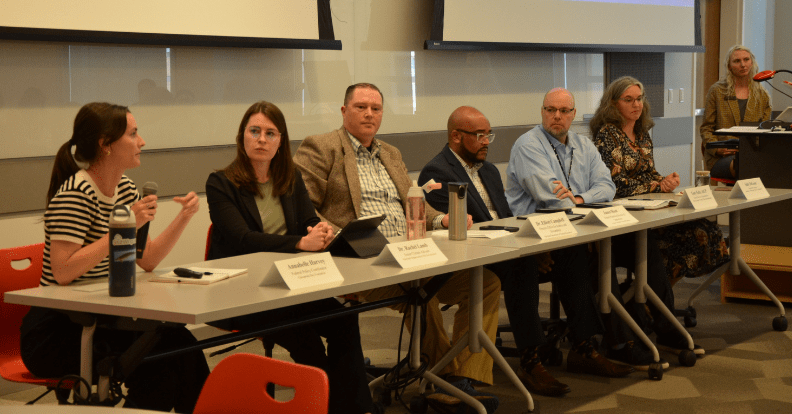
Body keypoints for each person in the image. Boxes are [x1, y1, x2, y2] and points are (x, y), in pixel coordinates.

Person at [294, 83, 501, 413]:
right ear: (344, 111)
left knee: (485, 283)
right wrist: (337, 236)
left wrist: (441, 219)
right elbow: (303, 207)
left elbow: (413, 202)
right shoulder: (321, 147)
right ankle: (443, 380)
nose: (369, 114)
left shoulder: (390, 152)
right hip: (361, 258)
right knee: (420, 294)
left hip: (408, 252)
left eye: (376, 108)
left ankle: (464, 375)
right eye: (361, 107)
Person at [418, 106, 633, 397]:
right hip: (474, 258)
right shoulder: (437, 172)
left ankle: (583, 347)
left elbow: (508, 218)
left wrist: (534, 247)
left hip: (506, 248)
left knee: (572, 253)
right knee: (522, 266)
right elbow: (455, 232)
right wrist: (523, 251)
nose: (486, 142)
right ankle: (531, 361)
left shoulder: (488, 171)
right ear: (456, 136)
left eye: (489, 135)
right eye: (480, 136)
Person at [20, 102, 209, 413]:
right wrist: (123, 228)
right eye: (133, 134)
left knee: (181, 345)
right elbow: (63, 271)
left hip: (102, 318)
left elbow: (146, 259)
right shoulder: (75, 194)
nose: (142, 142)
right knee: (161, 363)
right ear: (105, 144)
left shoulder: (125, 189)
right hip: (59, 331)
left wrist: (184, 217)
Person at [505, 88, 697, 369]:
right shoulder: (528, 145)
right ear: (542, 112)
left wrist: (578, 199)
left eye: (564, 111)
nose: (556, 116)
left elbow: (607, 186)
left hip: (580, 229)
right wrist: (575, 200)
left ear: (573, 114)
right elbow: (551, 198)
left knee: (643, 247)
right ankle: (617, 343)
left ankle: (665, 329)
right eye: (550, 110)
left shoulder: (583, 145)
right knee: (594, 259)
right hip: (540, 239)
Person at [205, 101, 374, 414]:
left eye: (270, 133)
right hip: (247, 293)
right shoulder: (221, 183)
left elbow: (307, 221)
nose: (262, 139)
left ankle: (353, 408)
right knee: (307, 339)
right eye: (254, 131)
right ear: (242, 137)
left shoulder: (290, 177)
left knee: (345, 319)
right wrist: (301, 243)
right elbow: (243, 240)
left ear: (280, 141)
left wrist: (320, 230)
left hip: (292, 285)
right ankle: (332, 407)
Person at [591, 76, 729, 282]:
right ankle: (649, 294)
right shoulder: (607, 134)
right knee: (691, 237)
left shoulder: (642, 133)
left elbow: (649, 172)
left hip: (649, 208)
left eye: (639, 98)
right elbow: (616, 184)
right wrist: (657, 185)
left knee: (707, 229)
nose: (637, 104)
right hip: (625, 215)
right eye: (628, 99)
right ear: (613, 103)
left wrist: (665, 180)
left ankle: (654, 294)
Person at [700, 45, 772, 179]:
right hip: (721, 158)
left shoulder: (763, 95)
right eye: (737, 61)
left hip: (752, 154)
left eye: (746, 59)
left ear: (752, 62)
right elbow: (706, 128)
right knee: (747, 165)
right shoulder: (717, 91)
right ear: (729, 66)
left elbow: (765, 131)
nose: (743, 64)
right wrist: (717, 149)